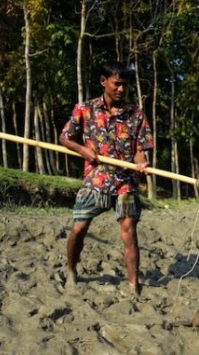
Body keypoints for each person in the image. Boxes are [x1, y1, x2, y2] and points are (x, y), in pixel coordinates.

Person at [60, 61, 154, 296]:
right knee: (79, 228)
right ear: (103, 81)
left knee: (129, 230)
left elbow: (140, 148)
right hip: (97, 179)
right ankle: (71, 271)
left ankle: (134, 285)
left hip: (126, 181)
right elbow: (64, 137)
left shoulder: (136, 114)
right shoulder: (85, 109)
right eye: (117, 84)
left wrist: (141, 161)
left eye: (125, 85)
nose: (121, 89)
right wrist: (83, 150)